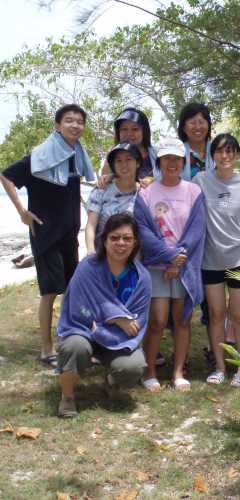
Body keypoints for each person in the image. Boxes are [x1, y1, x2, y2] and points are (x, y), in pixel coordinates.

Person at [0, 104, 95, 368]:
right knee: (50, 291)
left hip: (67, 233)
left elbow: (70, 187)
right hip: (45, 234)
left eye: (79, 121)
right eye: (69, 121)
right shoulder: (40, 156)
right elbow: (6, 176)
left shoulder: (75, 155)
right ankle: (46, 348)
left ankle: (72, 339)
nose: (75, 125)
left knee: (72, 288)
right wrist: (22, 211)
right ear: (57, 125)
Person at [56, 213, 152, 417]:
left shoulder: (142, 277)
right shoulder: (88, 267)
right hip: (83, 329)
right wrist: (115, 318)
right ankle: (67, 396)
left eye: (127, 238)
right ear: (105, 239)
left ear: (135, 242)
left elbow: (137, 321)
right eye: (115, 237)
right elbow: (78, 308)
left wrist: (105, 327)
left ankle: (112, 382)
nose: (121, 243)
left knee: (134, 366)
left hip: (118, 337)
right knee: (74, 347)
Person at [134, 137, 206, 392]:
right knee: (157, 320)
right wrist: (167, 256)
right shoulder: (146, 193)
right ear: (159, 162)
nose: (172, 163)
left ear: (183, 161)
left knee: (182, 320)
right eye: (167, 159)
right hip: (156, 267)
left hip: (184, 267)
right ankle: (149, 371)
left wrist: (178, 258)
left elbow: (197, 229)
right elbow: (142, 229)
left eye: (176, 159)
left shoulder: (193, 191)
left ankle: (178, 372)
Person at [193, 134, 240, 387]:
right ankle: (220, 367)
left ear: (237, 155)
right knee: (215, 314)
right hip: (210, 259)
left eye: (230, 151)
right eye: (220, 151)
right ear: (212, 156)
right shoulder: (200, 181)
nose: (225, 156)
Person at [85, 142, 141, 254]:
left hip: (133, 258)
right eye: (118, 161)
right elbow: (91, 224)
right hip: (102, 255)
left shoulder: (144, 193)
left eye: (128, 159)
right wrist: (90, 251)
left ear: (138, 163)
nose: (123, 164)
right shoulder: (102, 189)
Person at [100, 107, 158, 185]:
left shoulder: (158, 154)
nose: (129, 134)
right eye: (124, 129)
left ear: (144, 131)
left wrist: (153, 181)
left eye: (135, 129)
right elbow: (105, 185)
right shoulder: (112, 156)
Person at [177, 102, 215, 180]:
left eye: (201, 122)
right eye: (192, 123)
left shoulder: (217, 150)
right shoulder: (176, 153)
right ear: (183, 127)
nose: (197, 127)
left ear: (208, 125)